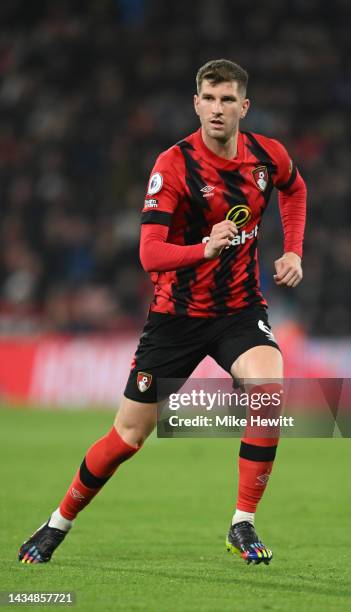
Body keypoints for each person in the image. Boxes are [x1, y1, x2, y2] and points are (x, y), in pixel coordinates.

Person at [19, 59, 306, 566]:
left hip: (239, 309)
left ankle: (243, 521)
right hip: (175, 318)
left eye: (227, 99)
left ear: (244, 106)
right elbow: (150, 254)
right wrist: (203, 248)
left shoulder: (268, 156)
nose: (217, 109)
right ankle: (57, 521)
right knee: (128, 436)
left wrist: (294, 251)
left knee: (268, 391)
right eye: (208, 99)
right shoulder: (173, 166)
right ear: (196, 103)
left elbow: (295, 189)